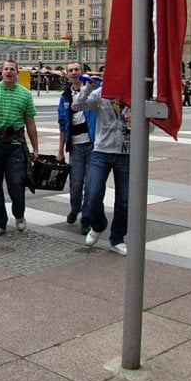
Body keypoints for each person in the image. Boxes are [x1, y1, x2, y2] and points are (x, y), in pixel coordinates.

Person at [0, 59, 39, 237]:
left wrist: (35, 148)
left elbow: (30, 123)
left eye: (12, 69)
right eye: (6, 69)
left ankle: (19, 215)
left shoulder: (25, 94)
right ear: (1, 72)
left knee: (16, 183)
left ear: (17, 72)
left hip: (15, 145)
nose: (9, 72)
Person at [72, 76, 131, 256]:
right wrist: (88, 87)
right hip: (101, 151)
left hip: (126, 153)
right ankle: (97, 225)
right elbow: (76, 106)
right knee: (93, 193)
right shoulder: (100, 94)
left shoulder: (134, 96)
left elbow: (149, 128)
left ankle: (117, 238)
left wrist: (135, 119)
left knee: (124, 199)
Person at [57, 63, 97, 236]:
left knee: (90, 185)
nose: (74, 73)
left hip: (93, 144)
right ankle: (75, 208)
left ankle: (86, 219)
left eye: (77, 70)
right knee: (75, 184)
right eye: (71, 71)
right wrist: (60, 150)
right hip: (75, 146)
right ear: (67, 75)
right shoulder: (65, 97)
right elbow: (62, 124)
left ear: (82, 73)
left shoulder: (92, 91)